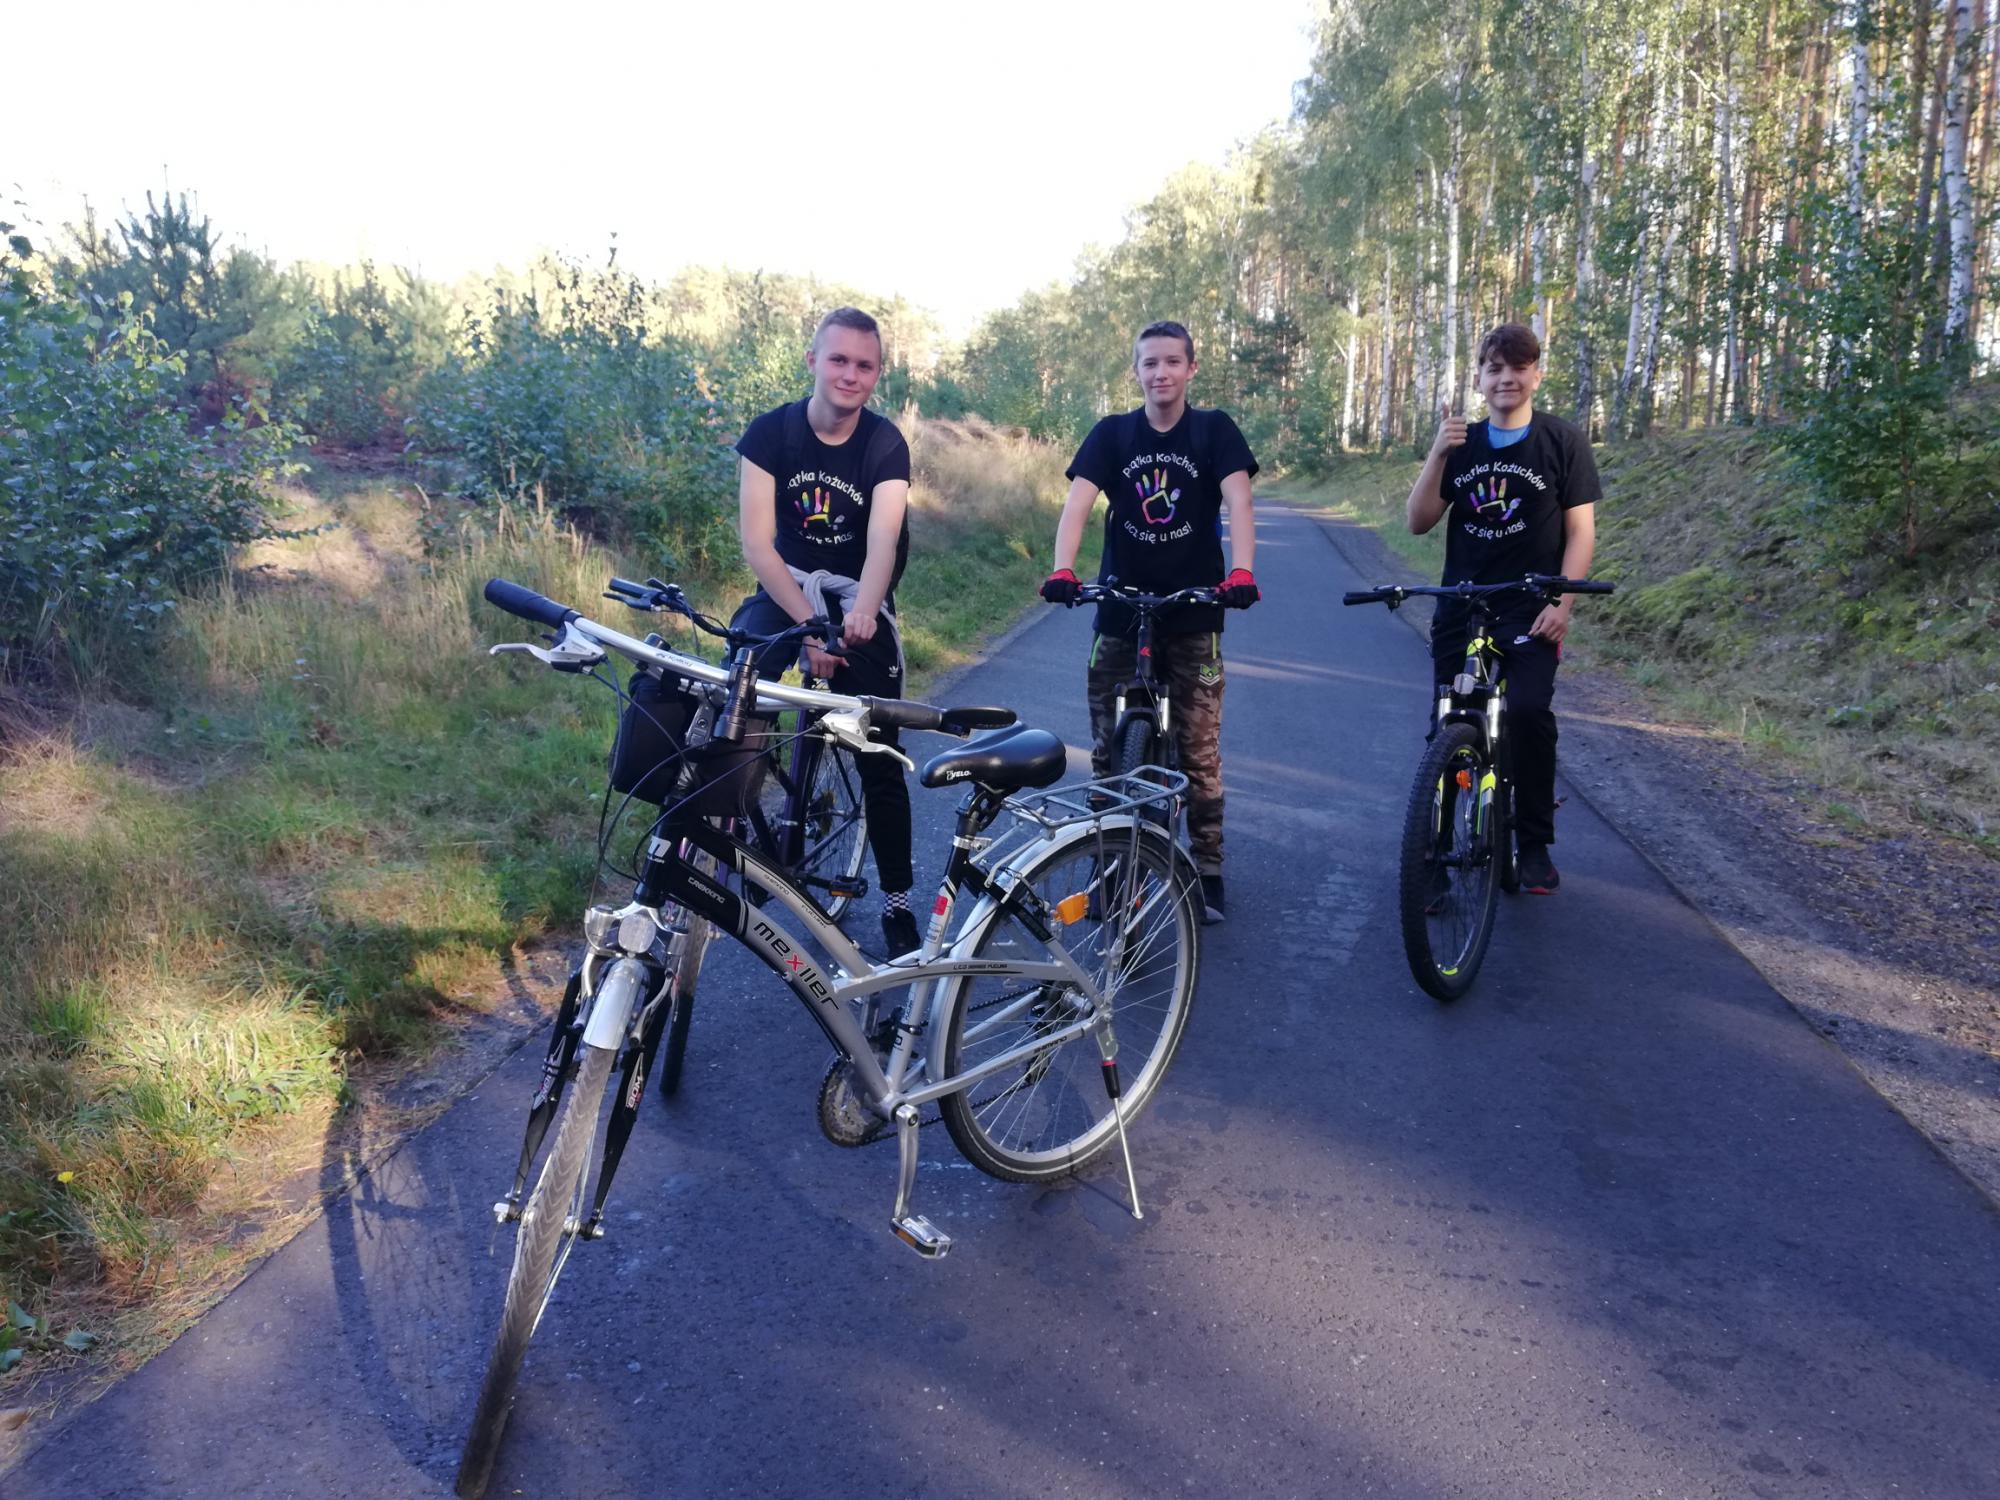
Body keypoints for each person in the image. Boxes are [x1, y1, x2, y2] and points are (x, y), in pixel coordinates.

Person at [1039, 319, 1260, 923]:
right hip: (1121, 605)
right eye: (1149, 363)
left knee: (1199, 750)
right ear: (1135, 371)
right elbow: (1078, 503)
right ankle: (1107, 863)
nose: (1161, 373)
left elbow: (1239, 501)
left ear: (1191, 368)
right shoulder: (1113, 434)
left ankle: (1207, 867)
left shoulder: (1214, 430)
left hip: (1195, 609)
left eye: (1172, 362)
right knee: (1107, 752)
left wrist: (1242, 571)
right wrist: (1063, 569)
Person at [731, 306, 919, 954]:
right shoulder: (771, 433)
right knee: (738, 687)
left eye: (865, 365)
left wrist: (864, 610)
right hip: (786, 587)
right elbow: (758, 545)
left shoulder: (885, 444)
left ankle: (897, 901)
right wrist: (808, 627)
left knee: (879, 749)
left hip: (855, 592)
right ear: (813, 360)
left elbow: (883, 542)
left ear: (877, 374)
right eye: (838, 359)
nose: (850, 374)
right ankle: (733, 827)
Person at [1405, 322, 1600, 894]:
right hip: (1462, 605)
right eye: (1494, 368)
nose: (1506, 378)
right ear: (1479, 379)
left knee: (1529, 713)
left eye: (1518, 368)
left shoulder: (1562, 441)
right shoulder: (1461, 443)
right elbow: (1417, 522)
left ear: (1536, 374)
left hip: (1532, 607)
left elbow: (1581, 533)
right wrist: (1438, 452)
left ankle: (1533, 844)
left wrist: (1563, 602)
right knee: (1450, 723)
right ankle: (1436, 851)